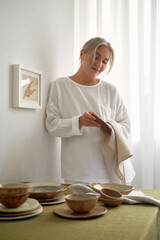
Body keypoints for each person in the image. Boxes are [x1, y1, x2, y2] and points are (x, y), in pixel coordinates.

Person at [46, 37, 135, 185]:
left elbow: (126, 125)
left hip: (109, 171)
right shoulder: (60, 85)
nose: (99, 64)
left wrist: (110, 127)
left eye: (105, 61)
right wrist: (78, 122)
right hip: (76, 173)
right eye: (96, 57)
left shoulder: (110, 90)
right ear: (82, 54)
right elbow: (51, 125)